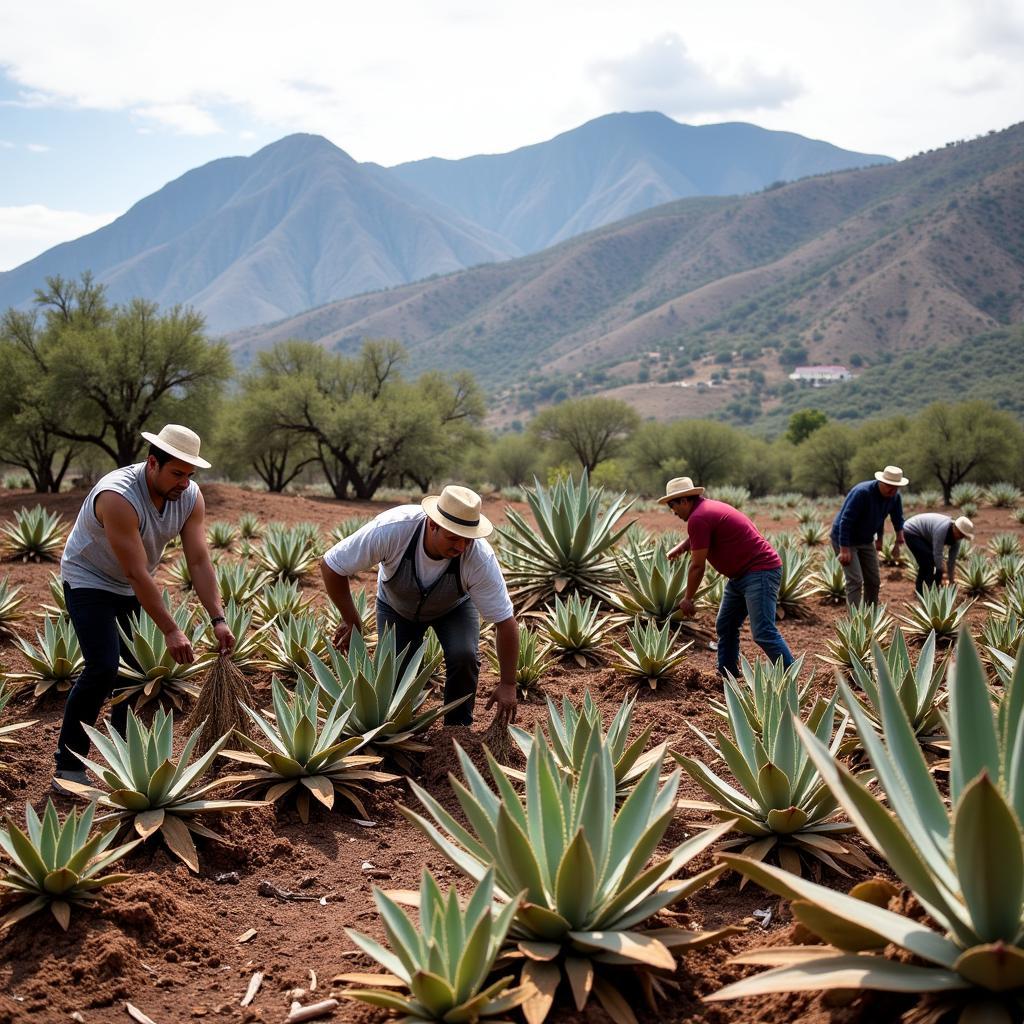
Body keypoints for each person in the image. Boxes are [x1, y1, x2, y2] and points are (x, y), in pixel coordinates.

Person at [54, 424, 235, 787]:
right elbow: (136, 573)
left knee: (134, 674)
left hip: (130, 585)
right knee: (103, 666)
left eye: (190, 474)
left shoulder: (189, 496)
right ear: (153, 463)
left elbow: (198, 561)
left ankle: (124, 758)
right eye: (177, 473)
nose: (184, 483)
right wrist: (171, 629)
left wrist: (218, 618)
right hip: (89, 578)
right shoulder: (117, 497)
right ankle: (68, 766)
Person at [321, 484, 518, 726]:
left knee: (464, 655)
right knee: (393, 673)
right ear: (433, 525)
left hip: (453, 608)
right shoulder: (393, 530)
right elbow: (332, 565)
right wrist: (350, 619)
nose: (461, 547)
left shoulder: (478, 558)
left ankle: (456, 731)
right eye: (453, 538)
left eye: (467, 540)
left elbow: (505, 622)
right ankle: (398, 728)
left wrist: (508, 683)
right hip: (396, 606)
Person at [662, 476, 793, 678]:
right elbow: (701, 534)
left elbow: (697, 566)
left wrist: (688, 598)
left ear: (684, 501)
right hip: (741, 575)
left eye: (673, 505)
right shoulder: (706, 510)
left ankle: (791, 676)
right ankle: (727, 673)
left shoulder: (698, 517)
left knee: (763, 632)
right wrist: (681, 547)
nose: (673, 512)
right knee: (726, 624)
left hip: (759, 571)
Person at [829, 465, 909, 607]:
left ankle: (869, 617)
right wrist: (844, 549)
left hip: (866, 539)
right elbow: (846, 521)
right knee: (855, 580)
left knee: (873, 580)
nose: (893, 490)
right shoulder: (862, 493)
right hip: (845, 538)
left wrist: (890, 538)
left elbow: (895, 518)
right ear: (881, 482)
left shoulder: (894, 497)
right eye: (890, 486)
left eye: (896, 487)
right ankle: (854, 621)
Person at [903, 513, 974, 593]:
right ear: (955, 527)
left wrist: (951, 580)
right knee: (927, 562)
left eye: (962, 536)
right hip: (912, 531)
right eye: (960, 534)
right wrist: (940, 572)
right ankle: (922, 591)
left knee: (931, 563)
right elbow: (937, 553)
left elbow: (952, 561)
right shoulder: (942, 529)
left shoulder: (957, 541)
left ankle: (929, 590)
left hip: (925, 536)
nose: (960, 537)